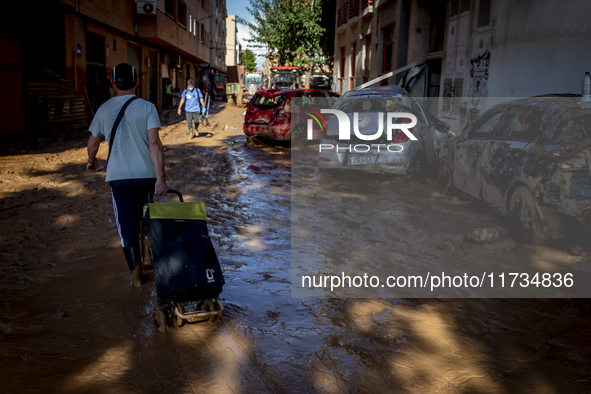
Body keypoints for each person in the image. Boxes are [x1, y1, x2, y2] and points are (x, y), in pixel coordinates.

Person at [86, 63, 168, 287]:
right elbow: (155, 144)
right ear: (137, 82)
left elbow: (93, 143)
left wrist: (91, 162)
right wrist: (161, 178)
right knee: (150, 221)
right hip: (147, 177)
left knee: (127, 228)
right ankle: (157, 266)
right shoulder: (147, 107)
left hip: (119, 179)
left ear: (112, 83)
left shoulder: (103, 109)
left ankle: (137, 280)